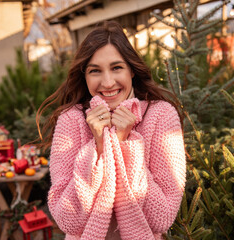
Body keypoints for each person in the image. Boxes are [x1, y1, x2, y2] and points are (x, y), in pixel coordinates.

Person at [36, 20, 186, 240]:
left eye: (117, 68)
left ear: (132, 70)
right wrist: (97, 147)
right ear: (84, 76)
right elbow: (66, 219)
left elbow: (162, 218)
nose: (107, 82)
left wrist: (126, 144)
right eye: (95, 71)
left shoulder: (161, 116)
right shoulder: (71, 120)